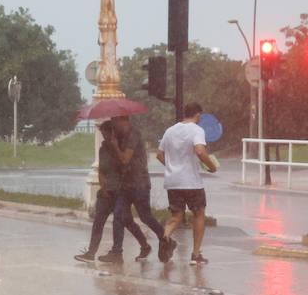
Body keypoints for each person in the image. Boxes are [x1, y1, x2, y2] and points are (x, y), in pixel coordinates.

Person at [75, 121, 149, 263]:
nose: (105, 137)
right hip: (107, 191)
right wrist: (103, 188)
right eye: (103, 134)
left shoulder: (122, 148)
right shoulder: (103, 149)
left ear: (113, 133)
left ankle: (139, 246)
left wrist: (115, 147)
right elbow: (102, 171)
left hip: (121, 191)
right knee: (98, 221)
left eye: (107, 133)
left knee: (124, 221)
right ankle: (91, 252)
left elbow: (125, 165)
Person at [157, 102, 218, 265]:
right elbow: (200, 151)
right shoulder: (197, 130)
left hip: (173, 181)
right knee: (199, 213)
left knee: (176, 216)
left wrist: (171, 167)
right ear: (197, 115)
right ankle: (196, 254)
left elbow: (159, 154)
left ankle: (165, 237)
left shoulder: (169, 131)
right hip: (191, 182)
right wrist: (211, 166)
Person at [107, 115, 172, 262]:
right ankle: (117, 251)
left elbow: (124, 159)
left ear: (123, 121)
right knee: (119, 215)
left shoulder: (133, 135)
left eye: (115, 123)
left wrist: (115, 146)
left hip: (139, 183)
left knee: (145, 216)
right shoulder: (120, 136)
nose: (114, 126)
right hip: (125, 185)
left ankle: (167, 240)